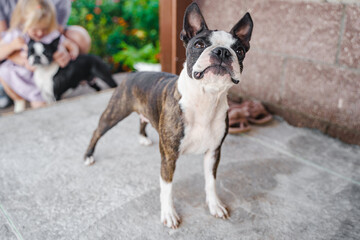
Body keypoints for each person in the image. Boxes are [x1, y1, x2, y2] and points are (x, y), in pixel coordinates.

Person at [0, 0, 91, 111]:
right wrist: (12, 48)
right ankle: (19, 99)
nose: (39, 33)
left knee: (40, 103)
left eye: (44, 29)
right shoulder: (16, 34)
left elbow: (67, 43)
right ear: (24, 23)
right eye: (35, 30)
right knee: (4, 71)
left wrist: (70, 50)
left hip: (40, 74)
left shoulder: (49, 33)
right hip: (22, 73)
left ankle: (45, 95)